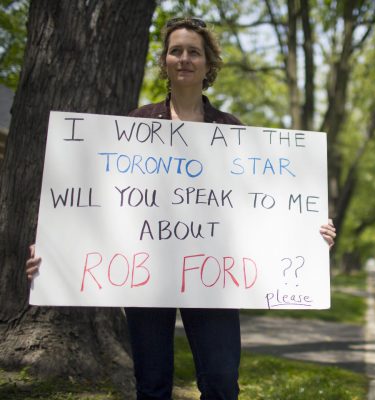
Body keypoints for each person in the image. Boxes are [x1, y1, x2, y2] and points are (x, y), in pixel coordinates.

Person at [25, 17, 337, 400]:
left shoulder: (230, 130)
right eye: (176, 51)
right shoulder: (136, 124)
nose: (184, 59)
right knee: (152, 383)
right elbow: (97, 199)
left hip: (214, 278)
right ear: (165, 61)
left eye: (194, 52)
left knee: (222, 382)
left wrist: (310, 235)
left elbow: (262, 208)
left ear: (208, 65)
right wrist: (53, 254)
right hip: (145, 276)